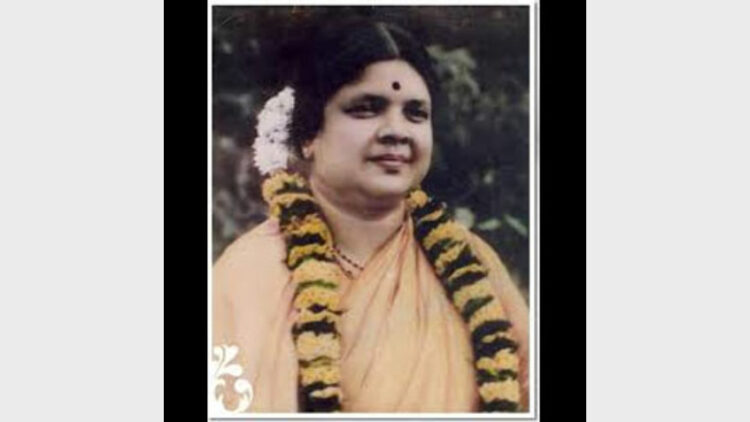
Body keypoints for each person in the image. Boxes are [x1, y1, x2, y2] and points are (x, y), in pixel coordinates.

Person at [211, 16, 529, 413]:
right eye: (366, 109)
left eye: (416, 113)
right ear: (308, 135)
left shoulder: (474, 263)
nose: (397, 130)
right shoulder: (247, 274)